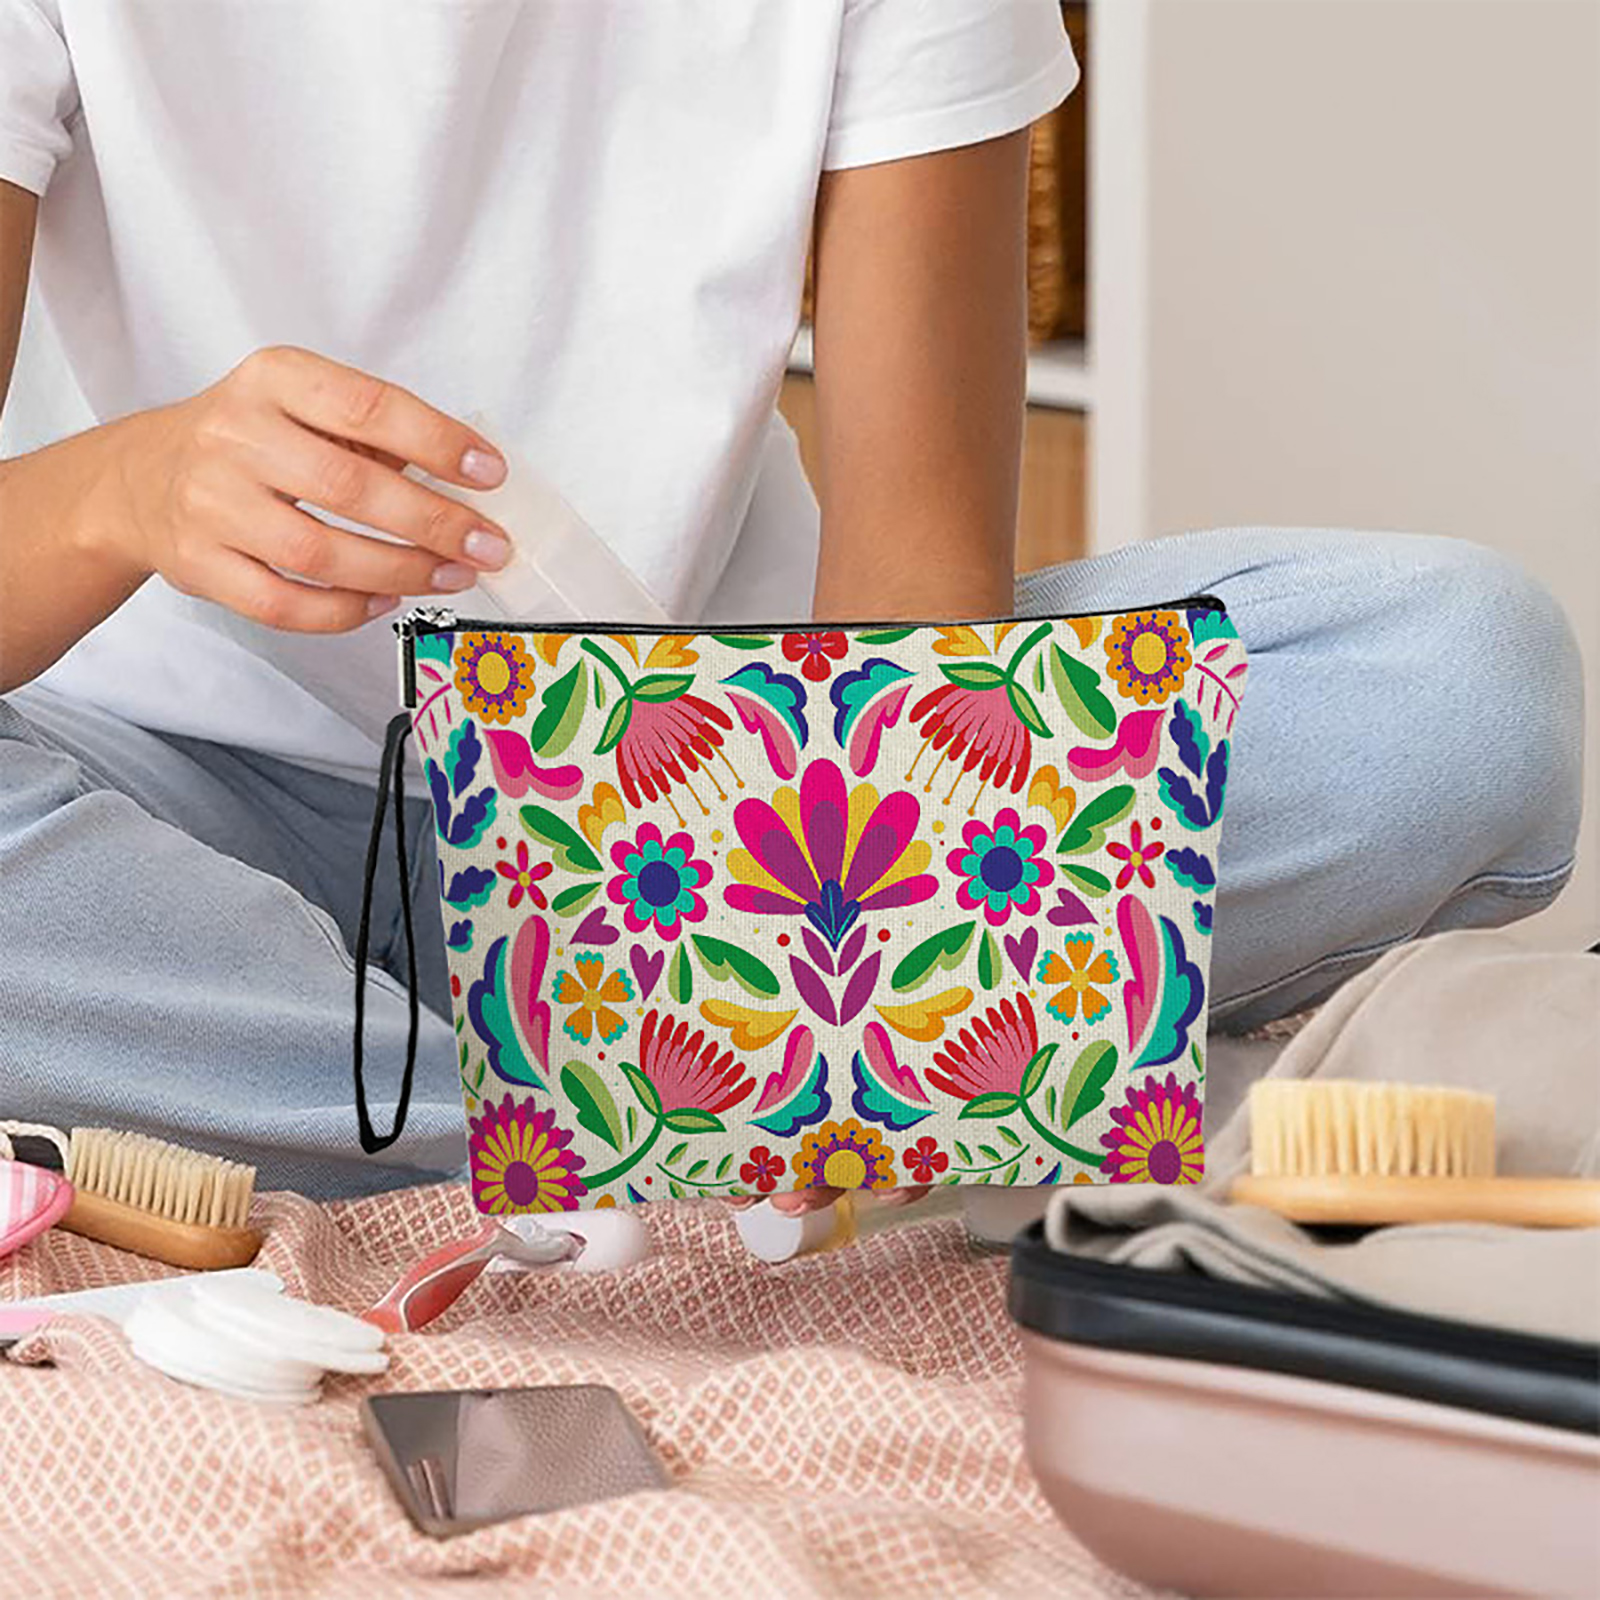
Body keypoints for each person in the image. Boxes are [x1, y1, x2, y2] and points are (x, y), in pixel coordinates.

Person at [0, 2, 1582, 1203]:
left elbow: (921, 610)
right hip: (157, 821)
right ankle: (683, 1137)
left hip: (728, 824)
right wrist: (125, 487)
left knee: (1454, 681)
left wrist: (843, 911)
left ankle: (465, 1109)